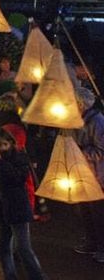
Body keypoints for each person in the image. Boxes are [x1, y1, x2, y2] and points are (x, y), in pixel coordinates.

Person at [0, 127, 46, 280]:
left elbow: (18, 178)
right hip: (0, 210)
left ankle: (37, 277)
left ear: (11, 143)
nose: (2, 148)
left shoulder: (19, 158)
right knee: (4, 248)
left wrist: (2, 163)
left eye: (5, 144)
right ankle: (10, 276)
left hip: (18, 209)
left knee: (23, 248)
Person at [73, 86, 104, 263]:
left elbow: (101, 150)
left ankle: (102, 247)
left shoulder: (98, 122)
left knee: (99, 214)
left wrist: (79, 152)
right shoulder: (78, 120)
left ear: (80, 104)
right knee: (84, 211)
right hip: (83, 174)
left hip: (97, 176)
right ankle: (91, 242)